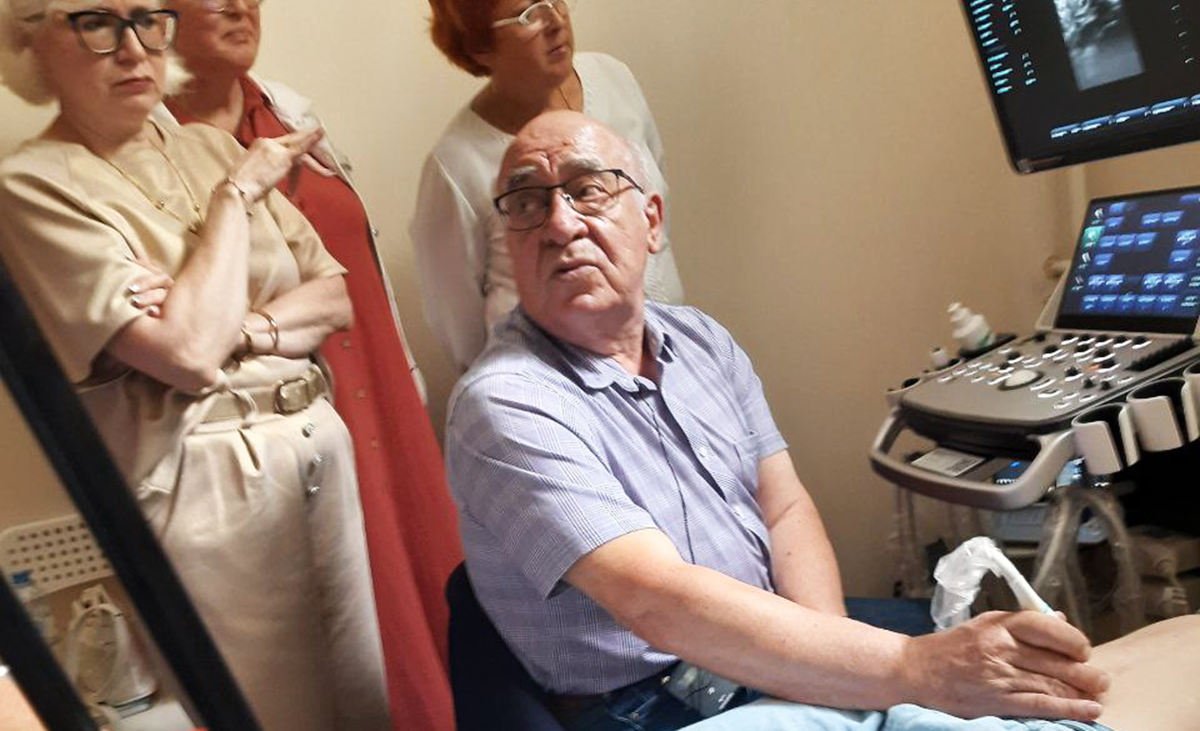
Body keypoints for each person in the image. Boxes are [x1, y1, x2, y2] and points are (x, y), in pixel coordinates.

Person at [443, 110, 1200, 731]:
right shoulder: (505, 403)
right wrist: (909, 671)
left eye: (587, 189)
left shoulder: (702, 341)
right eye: (527, 203)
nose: (559, 223)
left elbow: (784, 507)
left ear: (652, 221)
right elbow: (656, 601)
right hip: (652, 703)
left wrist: (837, 670)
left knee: (1085, 674)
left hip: (773, 649)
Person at [0, 0, 389, 730]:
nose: (133, 48)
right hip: (206, 479)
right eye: (96, 23)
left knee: (365, 707)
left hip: (317, 442)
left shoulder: (210, 146)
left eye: (147, 18)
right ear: (31, 40)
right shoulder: (30, 187)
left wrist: (227, 323)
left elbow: (334, 297)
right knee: (267, 716)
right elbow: (185, 355)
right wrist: (235, 203)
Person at [144, 0, 461, 728]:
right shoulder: (150, 154)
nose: (237, 3)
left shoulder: (289, 114)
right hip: (295, 435)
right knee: (352, 655)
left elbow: (361, 274)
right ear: (154, 11)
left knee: (447, 610)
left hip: (384, 400)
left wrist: (409, 382)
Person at [414, 0, 685, 372]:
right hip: (555, 390)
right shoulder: (457, 165)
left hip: (667, 355)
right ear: (481, 45)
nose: (556, 18)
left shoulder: (614, 79)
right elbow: (461, 332)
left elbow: (656, 215)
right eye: (529, 11)